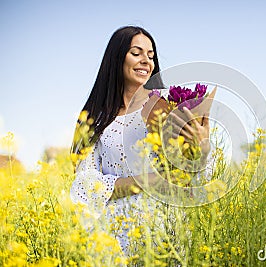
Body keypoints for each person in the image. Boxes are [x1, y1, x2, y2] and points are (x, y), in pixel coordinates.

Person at [69, 26, 210, 258]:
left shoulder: (170, 108)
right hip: (115, 238)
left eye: (151, 56)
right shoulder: (97, 118)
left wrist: (202, 149)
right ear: (117, 58)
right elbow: (85, 184)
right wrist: (146, 182)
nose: (146, 61)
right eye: (136, 53)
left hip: (165, 234)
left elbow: (196, 179)